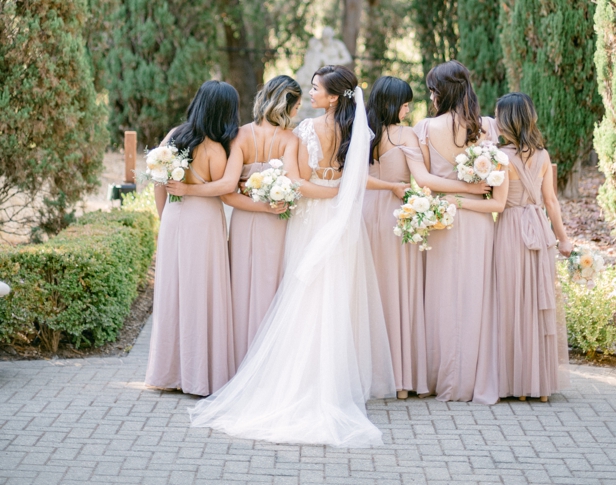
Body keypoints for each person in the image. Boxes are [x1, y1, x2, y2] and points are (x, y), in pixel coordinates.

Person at [188, 65, 394, 447]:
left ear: (333, 97)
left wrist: (328, 193)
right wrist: (341, 193)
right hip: (344, 222)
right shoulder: (357, 131)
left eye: (316, 89)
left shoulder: (305, 131)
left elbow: (297, 182)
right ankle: (330, 380)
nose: (311, 94)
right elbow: (355, 177)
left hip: (313, 217)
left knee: (305, 296)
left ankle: (301, 381)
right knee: (333, 298)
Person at [145, 81, 243, 395]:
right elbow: (225, 190)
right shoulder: (215, 148)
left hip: (174, 217)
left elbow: (158, 180)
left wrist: (167, 218)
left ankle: (169, 372)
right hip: (203, 222)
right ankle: (198, 375)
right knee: (202, 294)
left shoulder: (174, 136)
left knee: (174, 293)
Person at [413, 60, 500, 403]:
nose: (431, 95)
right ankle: (474, 375)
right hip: (477, 218)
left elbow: (422, 180)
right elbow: (493, 181)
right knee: (476, 294)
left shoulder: (424, 128)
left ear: (442, 91)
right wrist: (467, 188)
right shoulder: (487, 127)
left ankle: (442, 376)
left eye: (433, 89)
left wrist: (449, 192)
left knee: (441, 297)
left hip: (441, 216)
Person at [492, 93, 572, 400]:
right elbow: (551, 201)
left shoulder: (500, 158)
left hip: (511, 229)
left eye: (498, 116)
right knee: (539, 303)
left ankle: (517, 385)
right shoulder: (543, 156)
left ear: (508, 120)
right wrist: (563, 238)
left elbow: (497, 205)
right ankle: (539, 386)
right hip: (539, 229)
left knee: (511, 303)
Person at [223, 75, 302, 367]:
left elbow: (227, 193)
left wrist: (255, 203)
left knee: (240, 287)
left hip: (244, 218)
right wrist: (272, 206)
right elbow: (294, 185)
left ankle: (237, 362)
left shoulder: (240, 135)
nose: (297, 112)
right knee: (272, 287)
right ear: (287, 105)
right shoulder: (289, 140)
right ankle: (268, 365)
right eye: (297, 106)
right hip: (275, 219)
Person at [364, 76, 434, 398]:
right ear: (394, 104)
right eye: (405, 102)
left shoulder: (362, 134)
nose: (408, 108)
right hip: (396, 215)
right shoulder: (406, 134)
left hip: (364, 215)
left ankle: (368, 373)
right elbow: (422, 178)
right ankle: (400, 380)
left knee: (370, 290)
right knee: (398, 290)